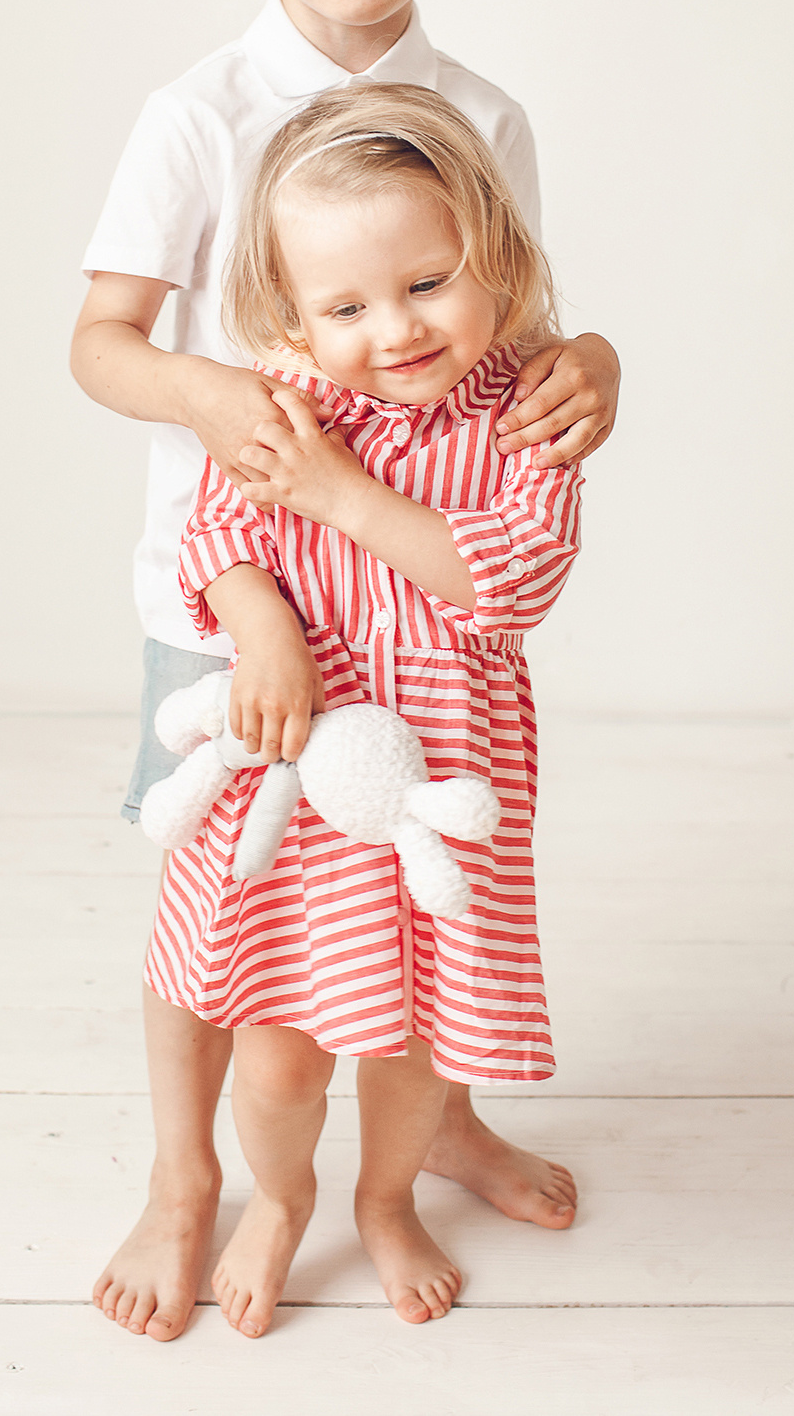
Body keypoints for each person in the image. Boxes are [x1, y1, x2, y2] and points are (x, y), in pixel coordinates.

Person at [74, 0, 618, 1342]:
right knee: (216, 901)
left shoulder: (488, 116)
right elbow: (101, 343)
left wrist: (595, 359)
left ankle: (427, 1116)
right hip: (230, 580)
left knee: (407, 871)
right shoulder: (199, 112)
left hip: (411, 588)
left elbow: (516, 330)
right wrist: (213, 402)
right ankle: (189, 1174)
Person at [163, 83, 584, 1336]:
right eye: (345, 306)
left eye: (429, 282)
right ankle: (280, 1197)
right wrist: (266, 629)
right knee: (281, 1041)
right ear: (293, 312)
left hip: (439, 773)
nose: (392, 329)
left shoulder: (525, 416)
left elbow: (510, 584)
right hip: (300, 768)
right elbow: (219, 530)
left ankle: (390, 1196)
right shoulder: (287, 401)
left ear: (494, 259)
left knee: (413, 1035)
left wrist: (344, 499)